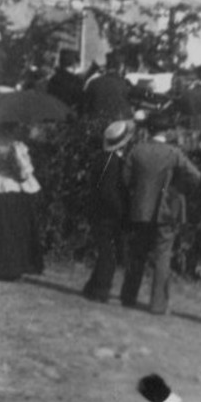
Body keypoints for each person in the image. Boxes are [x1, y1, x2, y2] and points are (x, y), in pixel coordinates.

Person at [120, 125, 201, 313]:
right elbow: (195, 175)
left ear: (149, 131)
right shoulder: (173, 153)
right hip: (165, 211)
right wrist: (177, 190)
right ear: (167, 132)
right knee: (162, 257)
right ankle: (158, 304)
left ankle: (128, 296)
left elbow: (126, 178)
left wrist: (139, 191)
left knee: (137, 254)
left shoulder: (137, 150)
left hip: (141, 209)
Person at [83, 120, 135, 301]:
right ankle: (100, 289)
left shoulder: (103, 159)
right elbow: (108, 191)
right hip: (107, 214)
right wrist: (121, 210)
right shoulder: (112, 162)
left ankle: (93, 286)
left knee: (107, 251)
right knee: (109, 254)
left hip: (100, 211)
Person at [0, 121, 44, 281]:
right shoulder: (16, 146)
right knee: (14, 230)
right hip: (13, 190)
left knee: (3, 230)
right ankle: (11, 268)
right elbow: (24, 173)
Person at [84, 53, 135, 122]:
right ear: (121, 67)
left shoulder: (93, 82)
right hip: (119, 124)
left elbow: (86, 106)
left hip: (97, 123)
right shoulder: (125, 83)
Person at [46, 50, 85, 116]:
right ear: (74, 64)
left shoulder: (52, 79)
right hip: (70, 117)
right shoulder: (76, 81)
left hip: (53, 116)